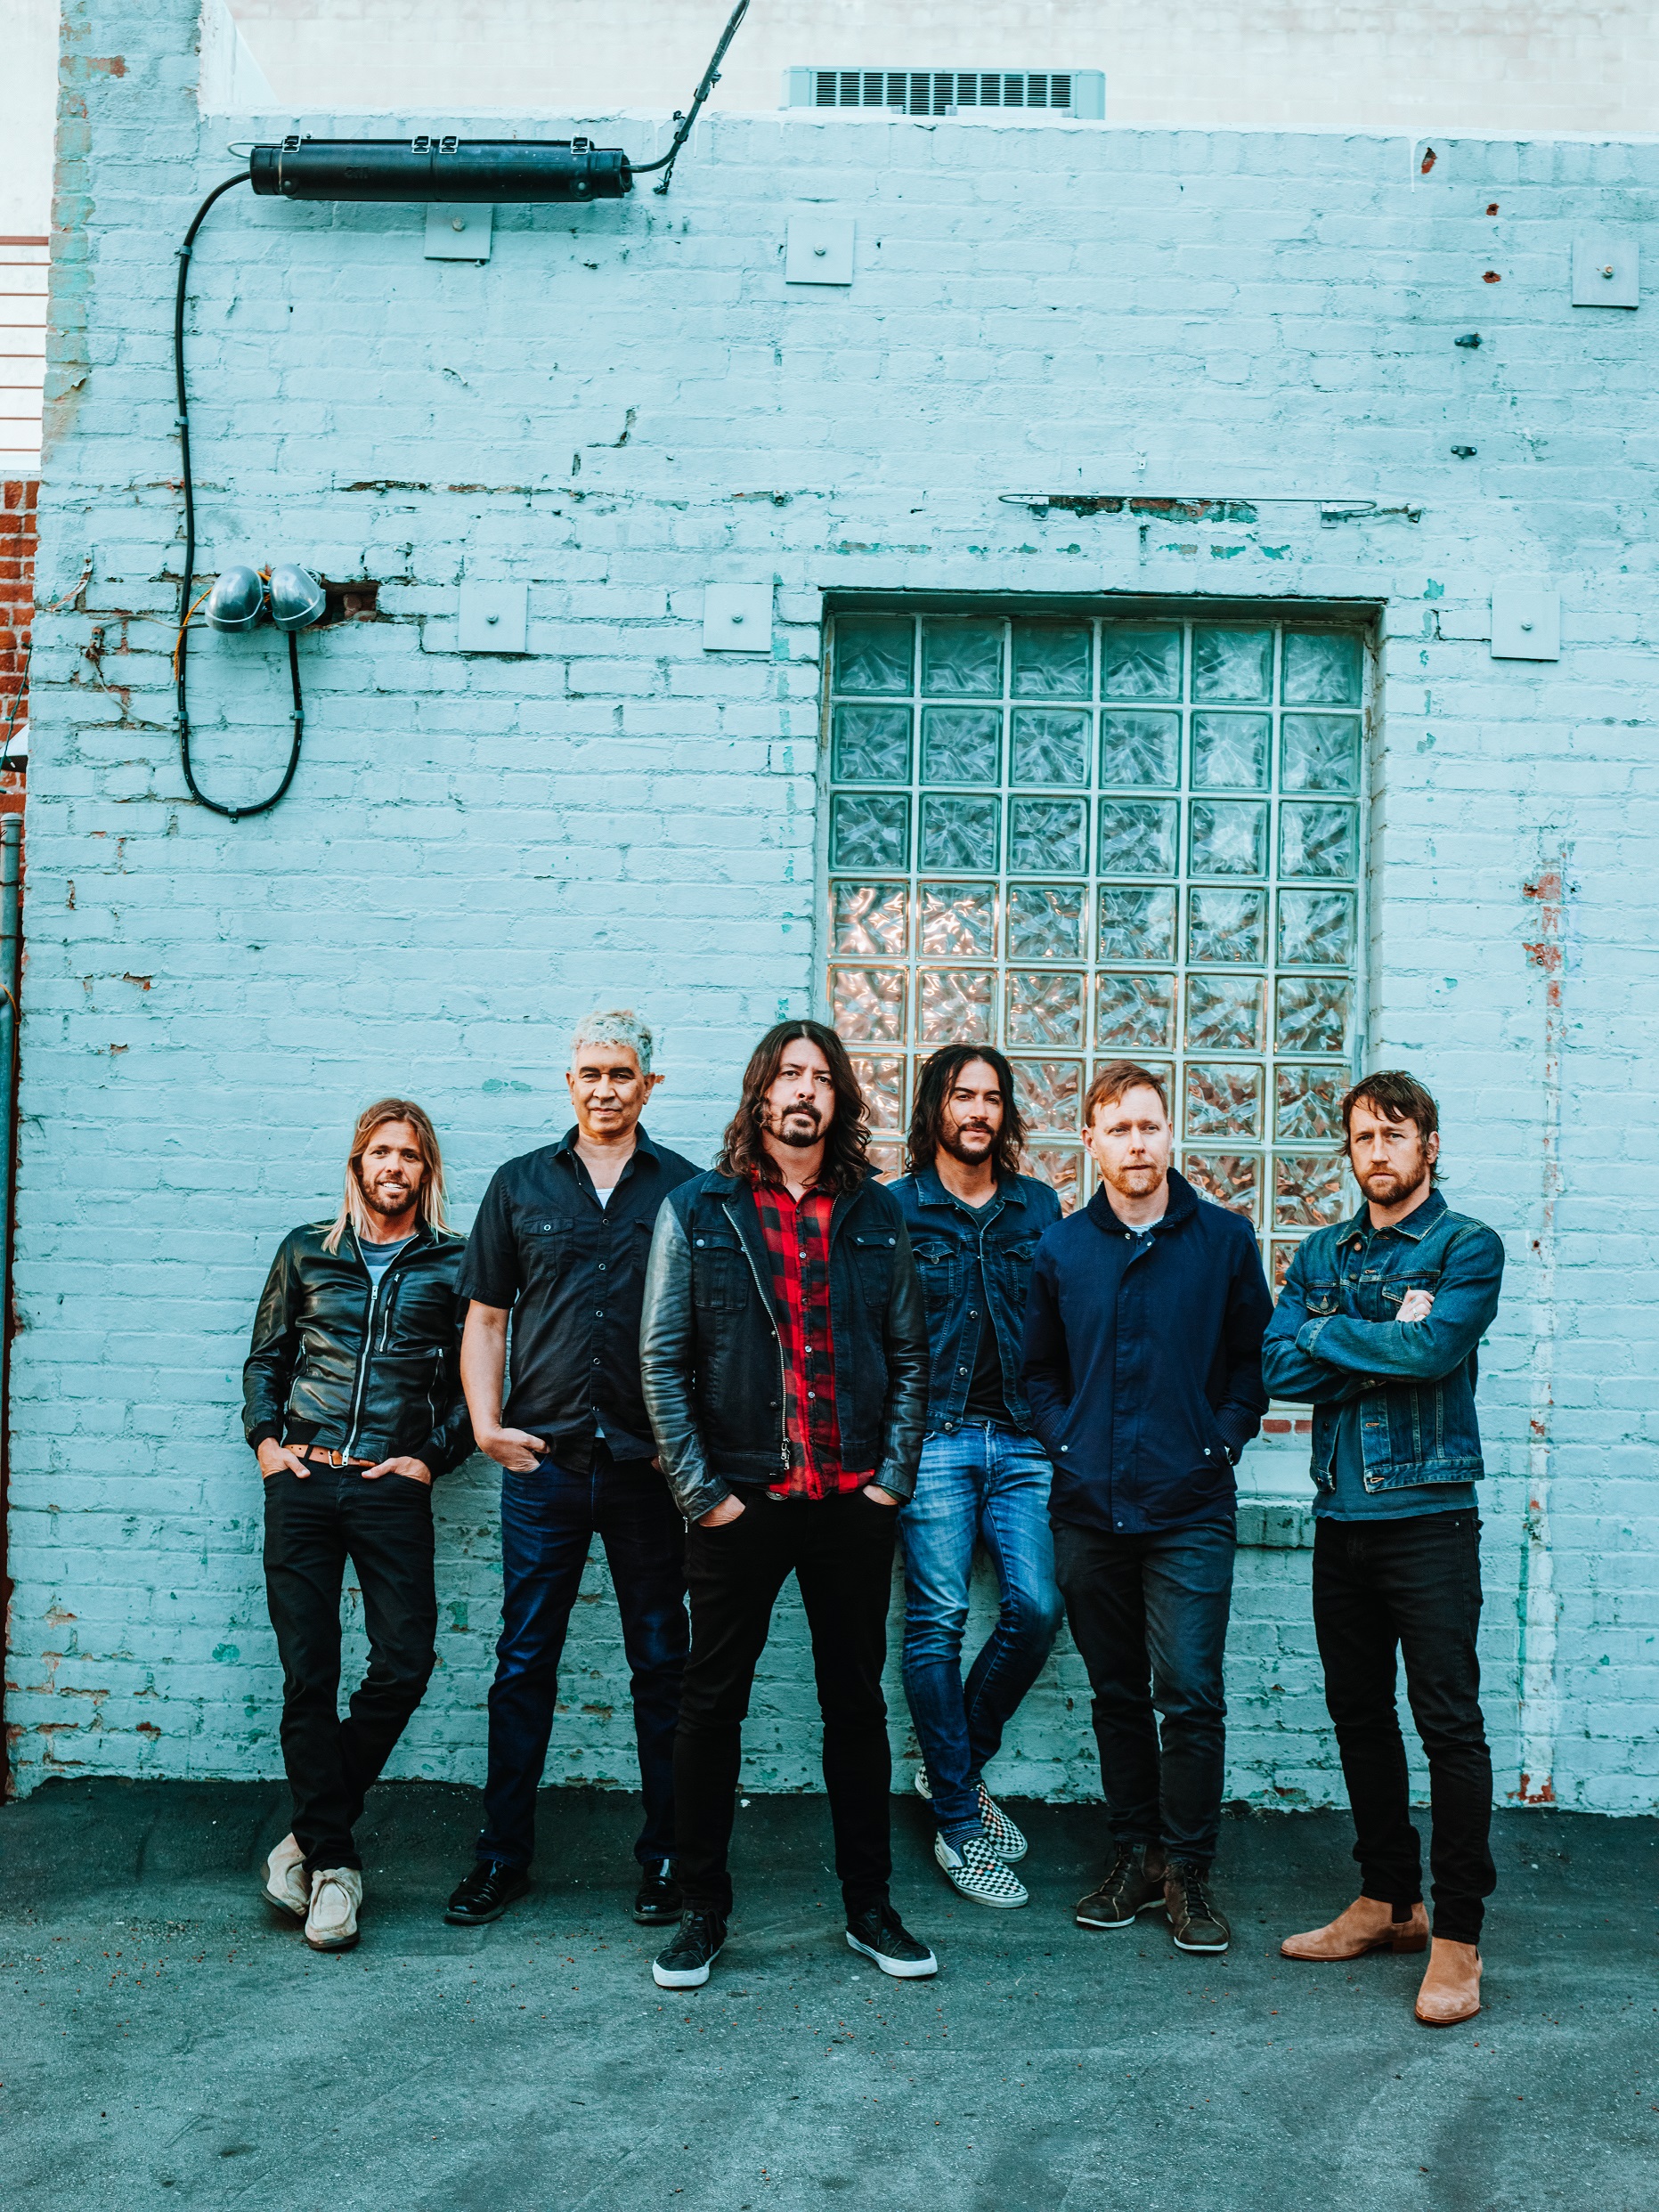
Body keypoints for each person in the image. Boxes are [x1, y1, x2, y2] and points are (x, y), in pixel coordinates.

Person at [638, 1020, 934, 1988]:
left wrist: (889, 1484)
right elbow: (662, 1362)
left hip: (851, 1503)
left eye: (821, 1077)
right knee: (709, 1706)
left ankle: (869, 1908)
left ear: (838, 1098)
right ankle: (702, 1910)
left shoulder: (878, 1212)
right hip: (741, 1502)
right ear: (761, 1092)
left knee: (855, 1707)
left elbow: (910, 1356)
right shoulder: (699, 1209)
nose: (804, 1090)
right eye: (788, 1074)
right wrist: (704, 1496)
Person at [444, 1011, 700, 1931]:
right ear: (569, 1083)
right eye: (590, 1072)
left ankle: (668, 1858)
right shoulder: (519, 1184)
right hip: (543, 1465)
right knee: (523, 1663)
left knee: (662, 1665)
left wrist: (684, 1446)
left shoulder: (685, 1190)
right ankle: (500, 1857)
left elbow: (709, 1331)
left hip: (645, 1470)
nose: (605, 1088)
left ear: (648, 1085)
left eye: (621, 1073)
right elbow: (485, 1318)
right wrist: (485, 1427)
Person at [1264, 1071, 1504, 2029]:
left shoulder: (1465, 1246)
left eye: (1393, 1135)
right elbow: (1274, 1363)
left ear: (1428, 1146)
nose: (1377, 1152)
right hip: (1342, 1522)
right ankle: (1390, 1902)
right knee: (1358, 1715)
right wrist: (1371, 1342)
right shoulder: (1323, 1250)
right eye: (1362, 1137)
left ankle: (1458, 1938)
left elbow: (1436, 1351)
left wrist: (1326, 1333)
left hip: (1430, 1521)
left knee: (1448, 1726)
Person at [1023, 1061, 1272, 1954]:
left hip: (1189, 1506)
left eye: (1149, 1126)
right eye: (1119, 1128)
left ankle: (1189, 1872)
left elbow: (1252, 1363)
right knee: (1118, 1694)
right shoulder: (1061, 1249)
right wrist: (1067, 1442)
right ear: (1090, 1141)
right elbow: (1036, 1373)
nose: (1137, 1142)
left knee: (1190, 1695)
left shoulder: (1223, 1240)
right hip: (1088, 1510)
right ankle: (1134, 1856)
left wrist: (1220, 1438)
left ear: (1170, 1134)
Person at [244, 1100, 472, 1954]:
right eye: (380, 1152)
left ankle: (307, 1836)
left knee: (404, 1661)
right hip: (303, 1481)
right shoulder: (307, 1250)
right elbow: (268, 1357)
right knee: (309, 1674)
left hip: (388, 1485)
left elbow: (479, 1380)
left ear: (426, 1170)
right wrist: (267, 1445)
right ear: (358, 1164)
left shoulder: (455, 1262)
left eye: (408, 1155)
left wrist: (431, 1458)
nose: (394, 1167)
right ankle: (336, 1868)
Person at [890, 1045, 1063, 1908]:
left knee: (1037, 1608)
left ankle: (950, 1763)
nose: (979, 1111)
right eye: (964, 1095)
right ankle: (959, 1821)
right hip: (935, 1442)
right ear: (937, 1107)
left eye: (992, 1098)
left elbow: (1063, 1324)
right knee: (939, 1621)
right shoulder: (895, 1208)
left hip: (1024, 1441)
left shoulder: (1039, 1206)